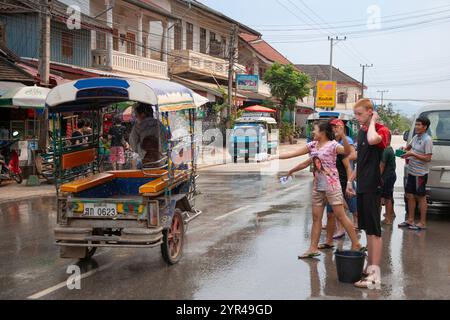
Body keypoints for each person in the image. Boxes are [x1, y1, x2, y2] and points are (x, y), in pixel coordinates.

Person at [271, 121, 363, 259]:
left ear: (323, 132)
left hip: (332, 185)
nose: (313, 133)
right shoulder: (312, 146)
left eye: (315, 130)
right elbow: (295, 155)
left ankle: (356, 243)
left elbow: (347, 151)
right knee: (316, 218)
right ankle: (312, 248)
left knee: (341, 215)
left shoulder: (333, 145)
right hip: (318, 186)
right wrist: (275, 157)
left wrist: (343, 135)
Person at [347, 99, 390, 289]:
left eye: (360, 114)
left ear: (370, 112)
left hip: (373, 187)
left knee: (375, 232)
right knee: (368, 231)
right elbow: (361, 161)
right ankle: (369, 268)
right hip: (362, 186)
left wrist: (372, 122)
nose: (357, 118)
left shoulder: (380, 130)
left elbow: (374, 141)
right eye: (355, 114)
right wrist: (350, 180)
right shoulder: (362, 132)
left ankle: (375, 275)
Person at [324, 119, 358, 243]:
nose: (333, 130)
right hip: (334, 180)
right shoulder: (332, 142)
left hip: (346, 178)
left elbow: (352, 156)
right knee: (336, 209)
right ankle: (340, 229)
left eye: (336, 127)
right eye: (332, 127)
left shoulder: (346, 140)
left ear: (341, 127)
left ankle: (355, 225)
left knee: (351, 205)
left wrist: (349, 182)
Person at [398, 116, 433, 230]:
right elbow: (408, 148)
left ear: (425, 127)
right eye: (416, 124)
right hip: (411, 172)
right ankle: (410, 220)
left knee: (421, 197)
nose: (416, 127)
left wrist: (412, 154)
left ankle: (422, 223)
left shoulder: (427, 140)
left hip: (420, 174)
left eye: (419, 125)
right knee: (410, 195)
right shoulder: (415, 137)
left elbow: (428, 158)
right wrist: (403, 150)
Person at [129, 103, 164, 167]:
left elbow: (133, 144)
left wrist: (141, 150)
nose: (136, 118)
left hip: (145, 161)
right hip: (161, 161)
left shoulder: (137, 127)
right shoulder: (160, 124)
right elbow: (166, 139)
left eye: (136, 116)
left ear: (142, 115)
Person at [380, 133, 397, 225]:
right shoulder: (389, 149)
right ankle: (390, 214)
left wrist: (378, 177)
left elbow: (382, 166)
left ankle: (388, 219)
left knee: (387, 197)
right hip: (390, 175)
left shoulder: (386, 150)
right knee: (388, 196)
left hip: (386, 177)